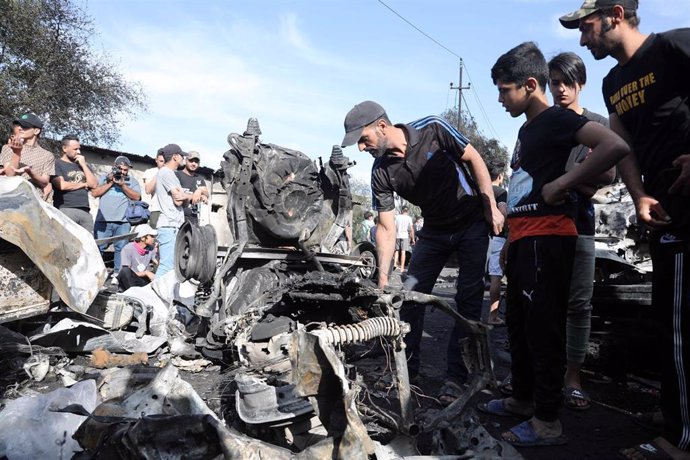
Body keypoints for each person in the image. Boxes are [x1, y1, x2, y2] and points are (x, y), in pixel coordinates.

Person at [482, 41, 630, 447]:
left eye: (503, 90)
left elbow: (615, 147)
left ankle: (547, 421)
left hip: (550, 239)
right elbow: (520, 189)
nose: (499, 98)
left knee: (544, 330)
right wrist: (511, 237)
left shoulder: (557, 119)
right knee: (519, 326)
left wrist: (564, 183)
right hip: (524, 240)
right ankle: (523, 401)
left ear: (530, 85)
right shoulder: (527, 129)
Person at [560, 2, 690, 457]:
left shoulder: (675, 45)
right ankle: (677, 411)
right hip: (666, 212)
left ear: (615, 14)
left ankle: (681, 440)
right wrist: (639, 198)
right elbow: (623, 146)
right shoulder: (615, 83)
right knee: (669, 319)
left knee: (678, 328)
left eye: (586, 27)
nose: (582, 39)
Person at [341, 100, 504, 404]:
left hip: (471, 227)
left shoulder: (432, 128)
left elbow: (475, 159)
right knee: (409, 296)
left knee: (467, 301)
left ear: (381, 126)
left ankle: (456, 378)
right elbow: (387, 228)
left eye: (363, 140)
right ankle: (406, 372)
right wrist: (383, 278)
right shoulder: (381, 172)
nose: (362, 148)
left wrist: (490, 206)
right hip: (433, 234)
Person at [547, 51, 617, 411]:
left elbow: (609, 173)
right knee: (544, 304)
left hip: (581, 225)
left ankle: (573, 377)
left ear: (581, 84)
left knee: (578, 304)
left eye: (567, 82)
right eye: (554, 81)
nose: (560, 89)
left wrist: (569, 184)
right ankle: (545, 374)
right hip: (544, 226)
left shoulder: (596, 123)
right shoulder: (542, 122)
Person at [92, 155, 142, 284]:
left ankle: (117, 276)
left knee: (121, 249)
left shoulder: (132, 181)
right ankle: (95, 275)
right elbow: (95, 193)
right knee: (98, 249)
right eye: (120, 169)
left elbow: (137, 197)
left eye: (126, 170)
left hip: (123, 221)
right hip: (103, 221)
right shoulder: (104, 177)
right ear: (114, 167)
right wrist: (110, 183)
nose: (123, 172)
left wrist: (123, 186)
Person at [155, 143, 191, 278]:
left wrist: (185, 196)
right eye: (182, 156)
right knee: (167, 266)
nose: (183, 159)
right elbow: (178, 200)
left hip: (173, 225)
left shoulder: (171, 174)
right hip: (169, 225)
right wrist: (191, 196)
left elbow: (182, 198)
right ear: (175, 157)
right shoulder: (166, 173)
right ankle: (153, 296)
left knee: (172, 266)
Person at [51, 135, 98, 233]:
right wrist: (83, 184)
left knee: (87, 245)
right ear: (64, 148)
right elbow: (62, 185)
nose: (79, 152)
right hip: (66, 209)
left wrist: (84, 165)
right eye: (75, 149)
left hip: (85, 211)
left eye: (79, 149)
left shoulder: (83, 165)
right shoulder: (57, 164)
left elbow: (93, 185)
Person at [0, 114, 54, 194]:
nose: (19, 128)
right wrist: (17, 152)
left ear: (36, 131)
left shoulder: (47, 155)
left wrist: (30, 172)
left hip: (33, 200)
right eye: (19, 126)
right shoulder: (8, 148)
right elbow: (10, 174)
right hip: (10, 197)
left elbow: (44, 182)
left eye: (25, 126)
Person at [486, 162, 508, 326]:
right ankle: (492, 316)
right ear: (500, 176)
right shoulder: (501, 193)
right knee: (496, 277)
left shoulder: (479, 190)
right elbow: (503, 213)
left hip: (477, 238)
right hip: (497, 238)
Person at [118, 224, 158, 291]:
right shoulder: (128, 248)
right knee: (125, 271)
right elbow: (125, 272)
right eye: (151, 236)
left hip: (142, 281)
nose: (153, 238)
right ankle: (133, 294)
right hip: (129, 281)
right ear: (143, 238)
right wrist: (146, 273)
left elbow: (158, 262)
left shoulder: (151, 248)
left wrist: (159, 251)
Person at [175, 150, 209, 225]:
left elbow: (206, 193)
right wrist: (194, 196)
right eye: (191, 161)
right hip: (178, 217)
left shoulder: (199, 178)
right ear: (185, 161)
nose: (193, 164)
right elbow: (178, 196)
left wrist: (200, 191)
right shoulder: (177, 175)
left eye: (196, 162)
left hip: (193, 218)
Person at [142, 151, 165, 228]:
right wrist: (159, 174)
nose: (163, 164)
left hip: (169, 210)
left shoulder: (173, 172)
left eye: (165, 161)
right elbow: (148, 190)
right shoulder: (150, 172)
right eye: (161, 161)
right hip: (156, 209)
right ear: (156, 160)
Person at [394, 206, 414, 272]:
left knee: (396, 251)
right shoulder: (409, 218)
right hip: (405, 236)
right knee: (403, 252)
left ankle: (395, 265)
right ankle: (402, 268)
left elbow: (394, 227)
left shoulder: (397, 217)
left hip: (397, 235)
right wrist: (412, 239)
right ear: (407, 211)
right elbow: (411, 229)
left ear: (402, 210)